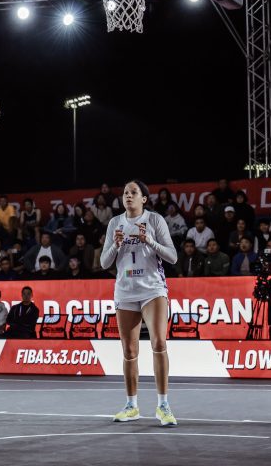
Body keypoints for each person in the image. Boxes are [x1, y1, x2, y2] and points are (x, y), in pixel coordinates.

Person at [100, 180, 178, 427]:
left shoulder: (154, 220)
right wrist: (116, 244)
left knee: (159, 341)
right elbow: (104, 263)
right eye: (125, 193)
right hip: (125, 291)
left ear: (144, 198)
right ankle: (131, 405)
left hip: (152, 289)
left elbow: (173, 256)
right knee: (129, 351)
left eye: (133, 193)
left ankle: (163, 405)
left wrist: (150, 241)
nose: (128, 196)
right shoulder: (115, 223)